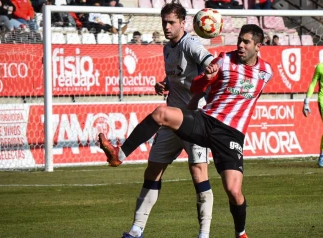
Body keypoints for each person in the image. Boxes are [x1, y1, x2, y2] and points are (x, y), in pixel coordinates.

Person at [99, 23, 273, 238]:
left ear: (258, 46)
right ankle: (119, 154)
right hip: (206, 121)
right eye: (239, 40)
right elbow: (197, 87)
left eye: (246, 42)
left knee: (234, 191)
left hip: (231, 135)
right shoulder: (224, 60)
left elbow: (252, 97)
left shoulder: (267, 72)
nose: (240, 45)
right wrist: (206, 79)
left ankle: (241, 233)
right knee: (161, 113)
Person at [102, 2, 216, 238]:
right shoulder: (167, 48)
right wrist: (164, 83)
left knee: (198, 173)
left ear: (183, 23)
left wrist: (200, 92)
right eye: (164, 22)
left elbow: (212, 68)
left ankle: (204, 235)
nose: (166, 26)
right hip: (172, 117)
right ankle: (135, 231)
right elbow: (178, 76)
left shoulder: (191, 43)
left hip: (195, 119)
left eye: (171, 22)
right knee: (152, 171)